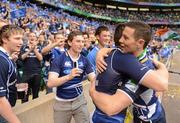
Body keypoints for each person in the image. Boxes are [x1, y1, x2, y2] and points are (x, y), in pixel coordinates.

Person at [90, 21, 168, 123]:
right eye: (121, 36)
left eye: (125, 38)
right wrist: (104, 51)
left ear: (140, 43)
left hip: (150, 119)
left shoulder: (143, 71)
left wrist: (92, 92)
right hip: (137, 116)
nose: (120, 40)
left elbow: (111, 108)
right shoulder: (130, 60)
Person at [47, 31, 95, 123]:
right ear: (69, 42)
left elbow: (93, 78)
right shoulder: (59, 59)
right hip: (62, 103)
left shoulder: (85, 60)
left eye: (82, 41)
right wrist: (68, 77)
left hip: (79, 101)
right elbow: (50, 83)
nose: (81, 44)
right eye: (78, 41)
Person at [0, 24, 23, 123]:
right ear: (5, 39)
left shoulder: (6, 58)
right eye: (17, 38)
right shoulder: (1, 60)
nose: (21, 42)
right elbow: (0, 100)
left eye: (21, 39)